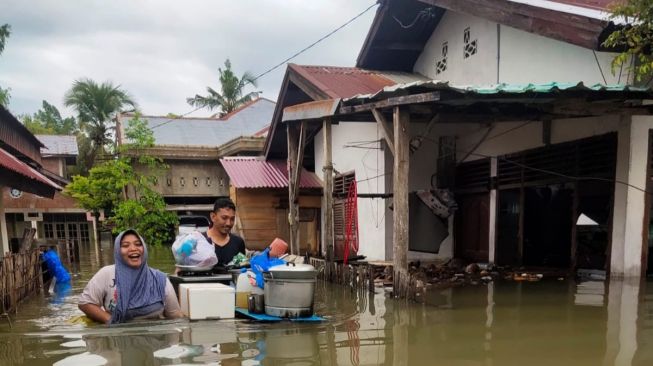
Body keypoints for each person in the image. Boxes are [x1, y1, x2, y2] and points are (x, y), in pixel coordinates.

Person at [79, 229, 182, 324]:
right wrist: (111, 321)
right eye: (125, 245)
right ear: (118, 251)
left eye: (138, 244)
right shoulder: (106, 274)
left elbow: (176, 317)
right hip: (118, 340)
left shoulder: (160, 280)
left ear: (144, 249)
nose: (133, 249)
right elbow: (85, 303)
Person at [205, 198, 246, 266]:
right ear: (213, 217)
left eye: (232, 219)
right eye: (224, 218)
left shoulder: (238, 243)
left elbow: (240, 269)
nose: (228, 223)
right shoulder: (200, 240)